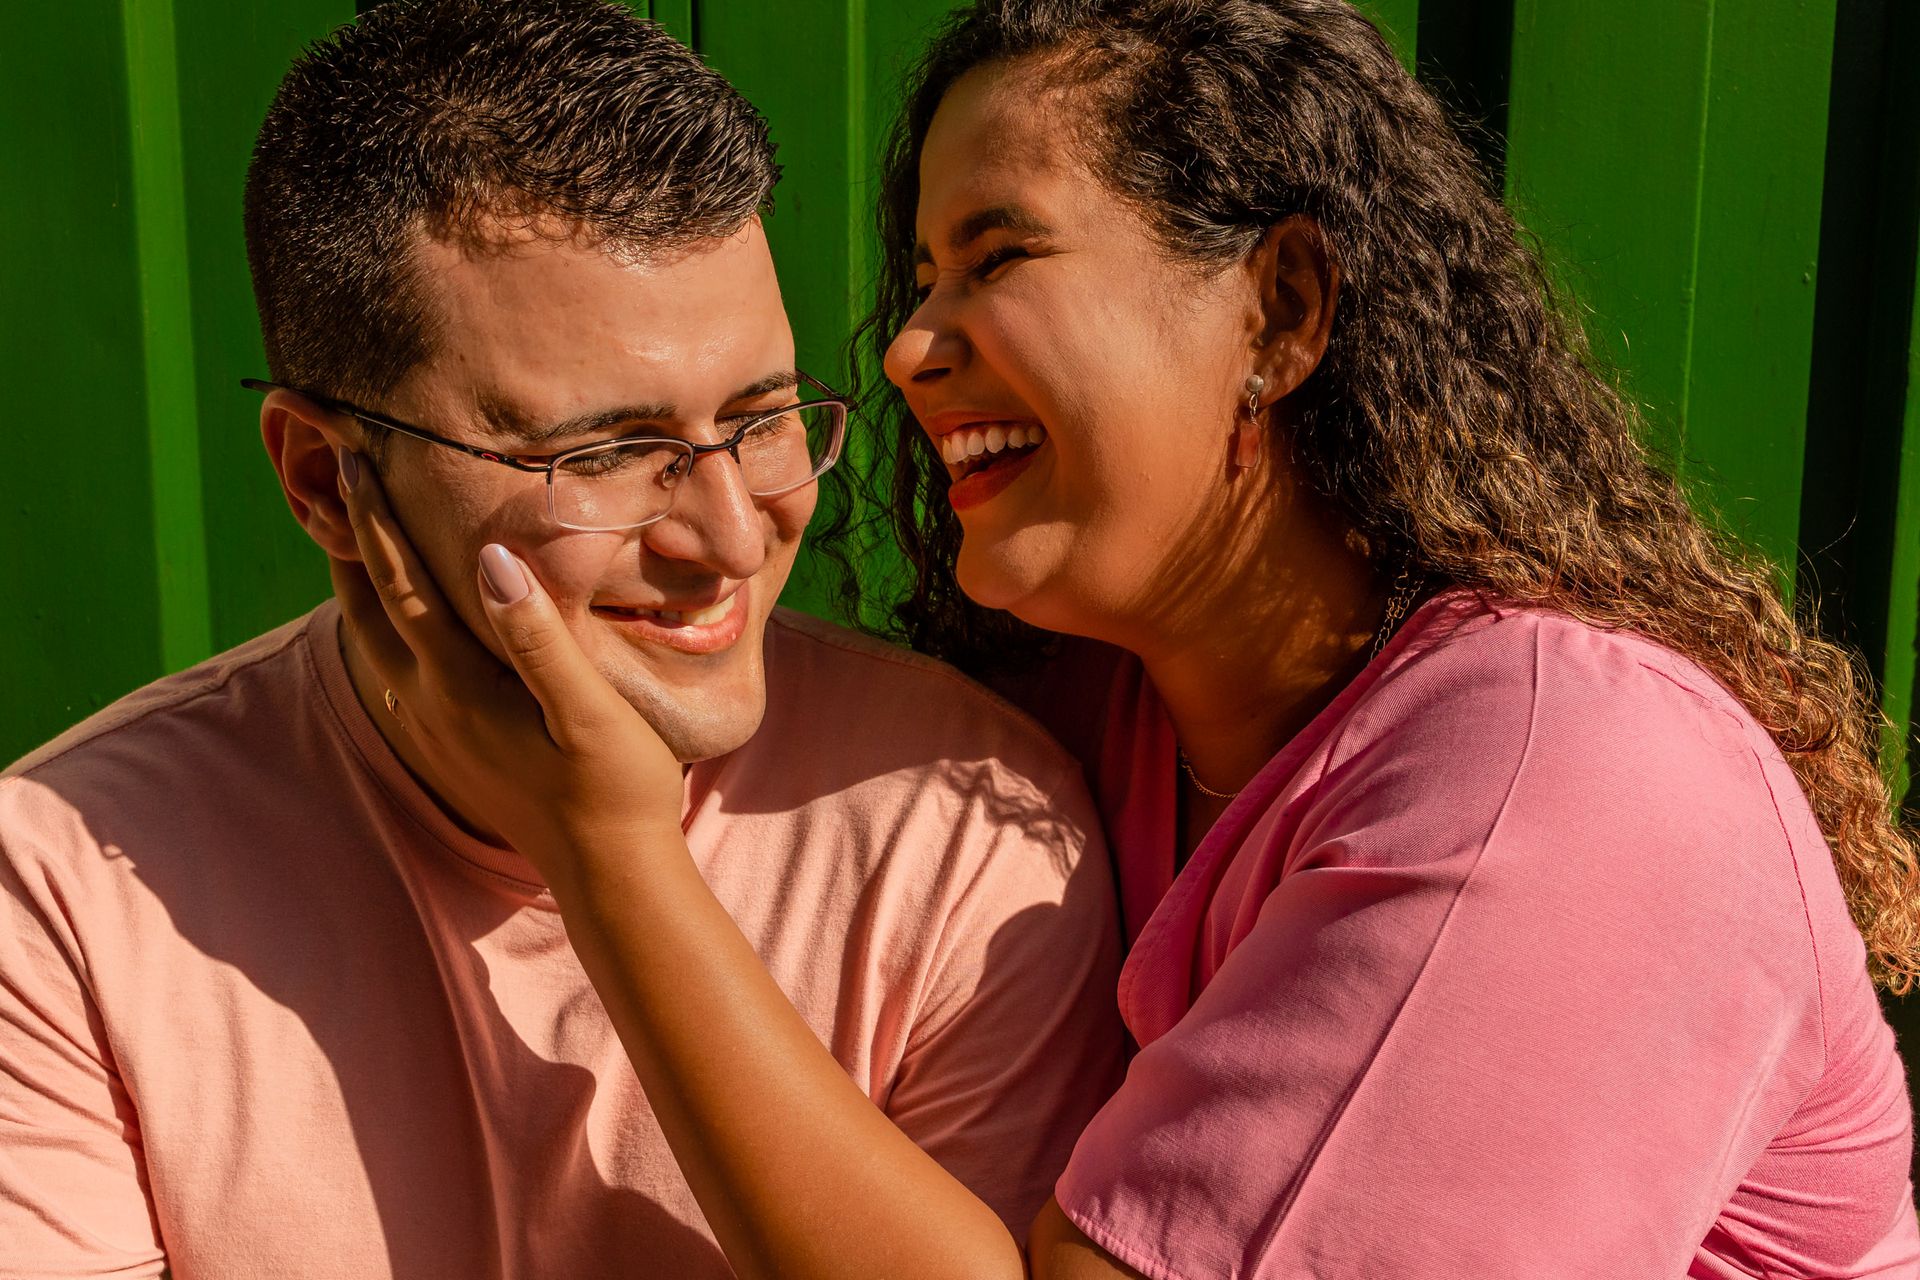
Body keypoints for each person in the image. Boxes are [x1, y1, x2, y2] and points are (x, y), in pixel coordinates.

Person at [334, 0, 1920, 1277]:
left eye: (999, 256)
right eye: (921, 273)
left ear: (1284, 308)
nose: (904, 346)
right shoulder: (1096, 728)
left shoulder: (1569, 780)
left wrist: (603, 842)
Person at [0, 3, 1127, 1276]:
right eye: (603, 455)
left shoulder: (964, 828)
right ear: (323, 478)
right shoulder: (58, 899)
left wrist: (607, 854)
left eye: (762, 416)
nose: (732, 537)